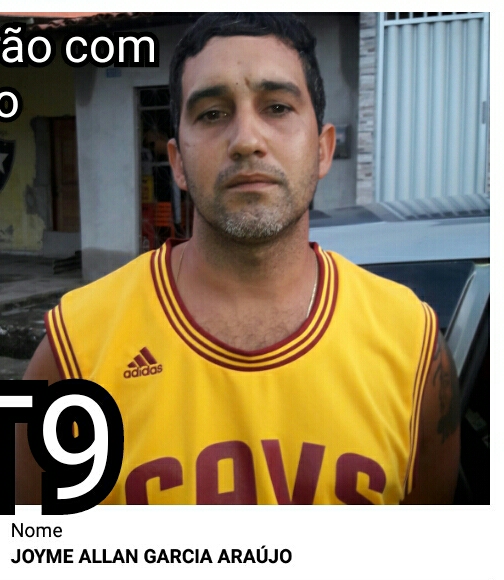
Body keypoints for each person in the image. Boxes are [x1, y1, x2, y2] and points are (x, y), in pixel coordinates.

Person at [19, 13, 460, 505]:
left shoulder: (413, 347)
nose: (247, 140)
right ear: (178, 162)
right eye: (212, 114)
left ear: (322, 149)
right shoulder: (73, 353)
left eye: (277, 107)